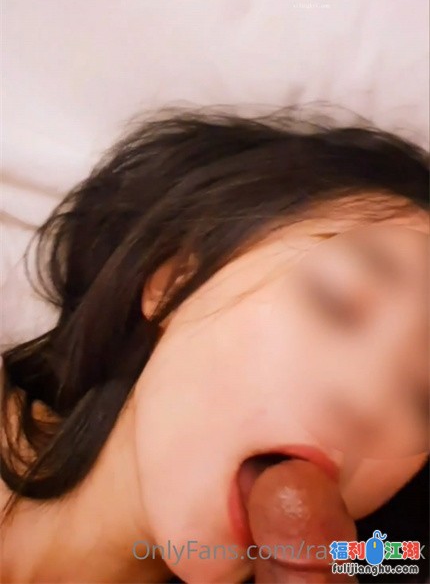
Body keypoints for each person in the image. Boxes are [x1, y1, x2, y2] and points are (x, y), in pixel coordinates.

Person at [0, 106, 428, 584]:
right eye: (336, 302)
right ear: (174, 282)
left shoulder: (386, 558)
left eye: (422, 397)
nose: (366, 402)